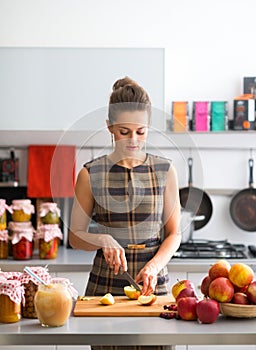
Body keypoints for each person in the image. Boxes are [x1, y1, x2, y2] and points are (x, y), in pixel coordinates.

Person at [69, 76, 181, 319]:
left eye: (140, 132)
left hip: (154, 286)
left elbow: (175, 234)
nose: (133, 140)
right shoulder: (90, 174)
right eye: (124, 131)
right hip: (103, 288)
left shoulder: (165, 170)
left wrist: (153, 266)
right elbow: (75, 237)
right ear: (109, 126)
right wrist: (102, 239)